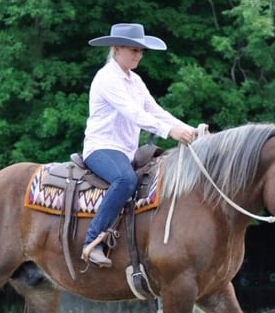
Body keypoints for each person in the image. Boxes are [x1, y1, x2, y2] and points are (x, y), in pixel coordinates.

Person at [80, 23, 199, 268]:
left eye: (141, 51)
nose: (139, 55)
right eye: (133, 50)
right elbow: (134, 113)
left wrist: (190, 130)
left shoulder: (134, 81)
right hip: (102, 147)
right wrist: (171, 132)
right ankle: (92, 241)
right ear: (116, 48)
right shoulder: (106, 79)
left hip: (126, 151)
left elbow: (156, 111)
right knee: (125, 180)